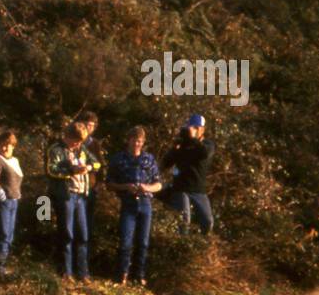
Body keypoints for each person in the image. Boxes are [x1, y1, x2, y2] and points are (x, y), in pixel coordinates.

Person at [107, 126, 162, 285]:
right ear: (128, 140)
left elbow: (158, 184)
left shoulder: (149, 159)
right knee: (125, 240)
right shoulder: (119, 159)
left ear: (143, 142)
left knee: (143, 242)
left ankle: (139, 275)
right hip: (128, 202)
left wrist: (147, 188)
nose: (136, 144)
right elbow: (109, 183)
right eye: (134, 140)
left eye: (139, 141)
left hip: (145, 202)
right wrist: (126, 187)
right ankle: (122, 274)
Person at [47, 122, 95, 282]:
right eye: (76, 141)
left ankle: (83, 272)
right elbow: (51, 170)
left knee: (83, 234)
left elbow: (97, 163)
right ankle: (66, 271)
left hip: (81, 196)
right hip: (66, 195)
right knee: (67, 233)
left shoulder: (82, 150)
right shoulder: (56, 149)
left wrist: (88, 167)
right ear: (67, 137)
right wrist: (70, 170)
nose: (78, 144)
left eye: (80, 141)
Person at [161, 113, 215, 236]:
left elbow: (204, 153)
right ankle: (182, 245)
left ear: (202, 130)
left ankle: (202, 246)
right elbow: (167, 162)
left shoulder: (208, 145)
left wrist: (193, 139)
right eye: (192, 128)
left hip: (198, 190)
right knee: (184, 220)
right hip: (181, 188)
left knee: (207, 221)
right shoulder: (183, 145)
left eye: (196, 128)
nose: (194, 130)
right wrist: (176, 148)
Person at [0, 130, 23, 275]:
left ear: (13, 146)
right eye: (2, 145)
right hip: (3, 202)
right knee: (3, 233)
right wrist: (0, 193)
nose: (5, 148)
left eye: (8, 145)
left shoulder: (15, 161)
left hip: (14, 201)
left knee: (10, 234)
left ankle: (4, 263)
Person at [76, 110, 104, 258]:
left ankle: (84, 261)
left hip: (91, 188)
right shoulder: (74, 142)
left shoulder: (95, 145)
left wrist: (99, 184)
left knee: (87, 225)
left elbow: (100, 166)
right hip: (75, 188)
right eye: (87, 125)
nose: (89, 128)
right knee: (74, 226)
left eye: (92, 126)